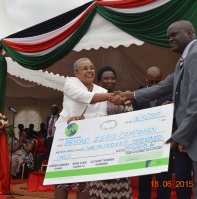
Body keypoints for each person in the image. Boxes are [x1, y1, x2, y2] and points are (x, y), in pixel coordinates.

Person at [116, 20, 197, 198]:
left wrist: (180, 136)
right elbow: (166, 85)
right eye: (168, 36)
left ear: (190, 34)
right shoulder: (186, 59)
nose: (170, 39)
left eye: (174, 34)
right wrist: (132, 95)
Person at [54, 58, 123, 199]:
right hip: (66, 136)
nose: (90, 70)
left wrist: (84, 120)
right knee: (62, 179)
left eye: (91, 67)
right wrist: (111, 96)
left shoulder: (102, 90)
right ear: (76, 72)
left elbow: (101, 116)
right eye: (85, 68)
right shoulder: (70, 83)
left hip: (87, 139)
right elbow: (84, 96)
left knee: (84, 180)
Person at [89, 66, 133, 199]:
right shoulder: (93, 99)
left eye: (112, 78)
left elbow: (130, 120)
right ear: (99, 81)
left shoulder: (124, 98)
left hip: (118, 147)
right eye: (106, 78)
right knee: (99, 183)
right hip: (97, 148)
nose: (110, 81)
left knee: (119, 181)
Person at [135, 66, 175, 199]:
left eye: (157, 82)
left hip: (163, 144)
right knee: (144, 181)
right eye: (151, 82)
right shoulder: (137, 95)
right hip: (144, 145)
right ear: (146, 79)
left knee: (164, 181)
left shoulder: (169, 93)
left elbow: (176, 118)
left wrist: (171, 108)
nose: (154, 85)